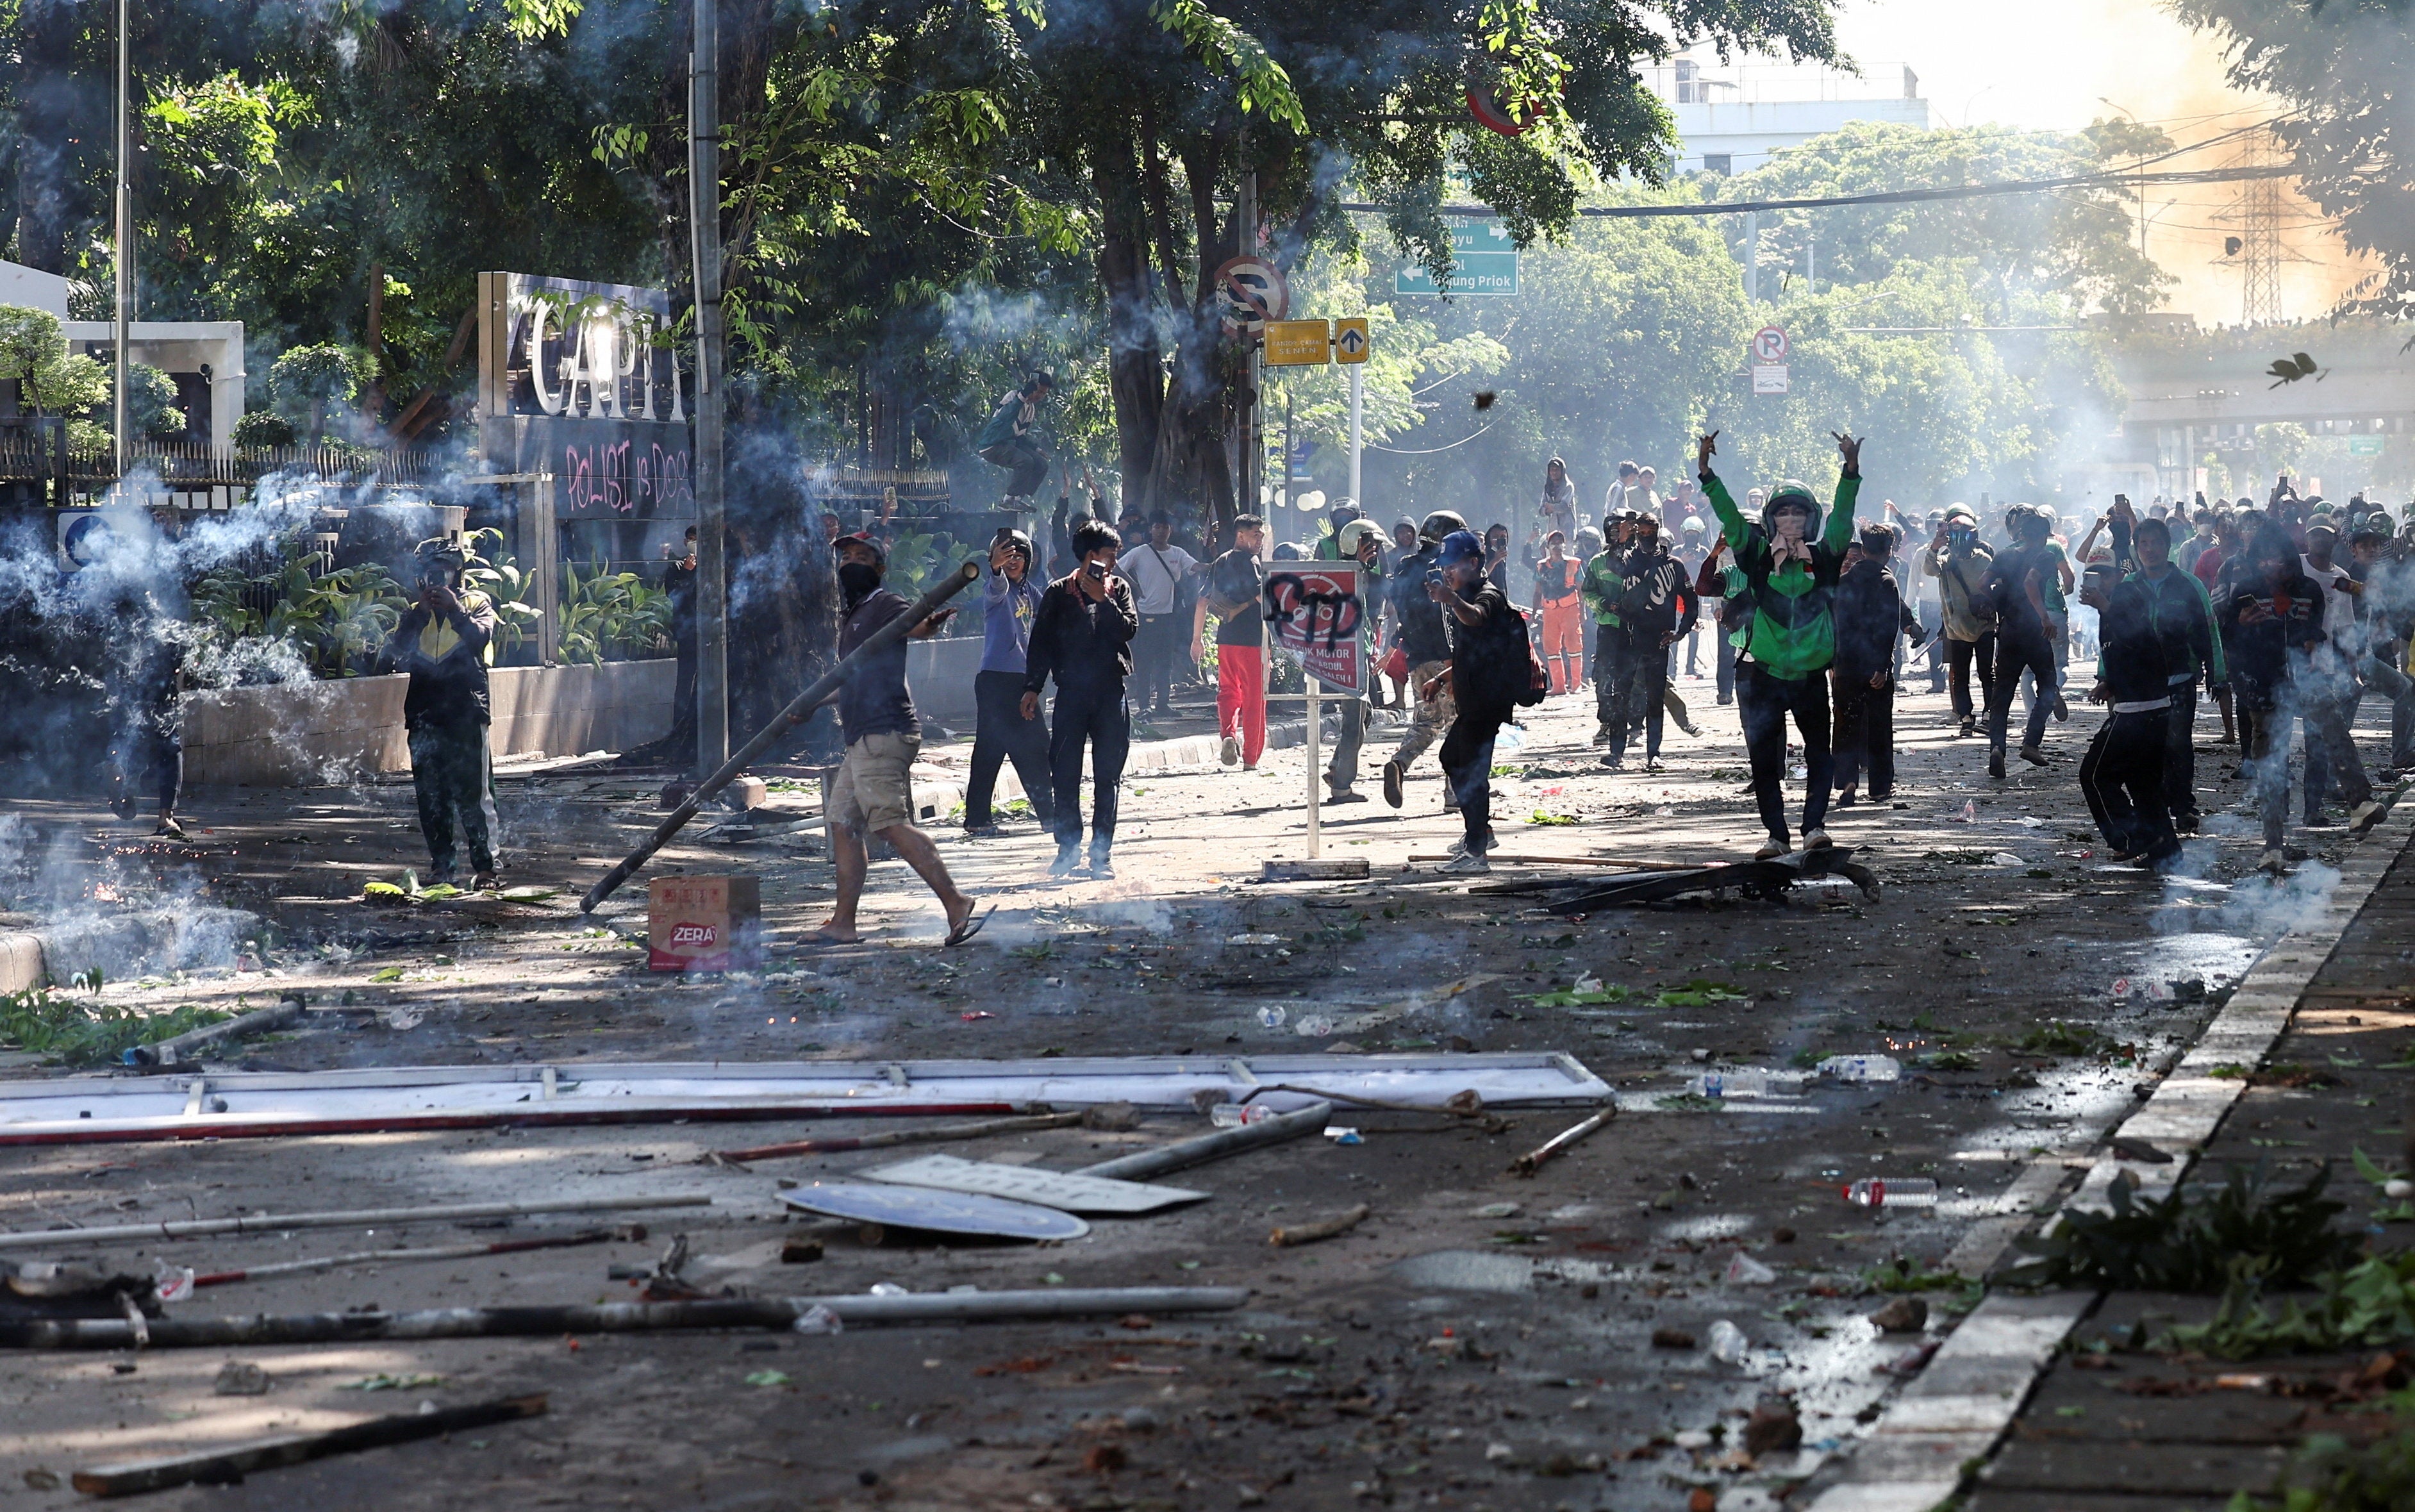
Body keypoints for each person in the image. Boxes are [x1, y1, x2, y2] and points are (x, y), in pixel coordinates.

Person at [1700, 429, 1861, 859]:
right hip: (1764, 677)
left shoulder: (1825, 558)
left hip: (1810, 678)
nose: (1792, 519)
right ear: (1772, 519)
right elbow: (1731, 518)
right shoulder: (1755, 558)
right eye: (1783, 512)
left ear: (1811, 519)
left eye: (1799, 512)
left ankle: (1814, 827)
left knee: (1819, 755)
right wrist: (1706, 473)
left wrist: (1850, 471)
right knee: (1764, 762)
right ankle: (1776, 835)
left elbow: (1844, 516)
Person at [817, 535, 984, 944]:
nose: (851, 563)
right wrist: (812, 703)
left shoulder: (883, 604)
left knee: (888, 823)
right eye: (847, 557)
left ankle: (955, 901)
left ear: (879, 569)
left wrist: (928, 623)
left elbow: (915, 624)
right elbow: (855, 679)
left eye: (862, 558)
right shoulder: (853, 615)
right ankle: (844, 924)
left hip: (884, 731)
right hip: (861, 737)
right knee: (842, 824)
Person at [2216, 524, 2382, 871]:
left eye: (2279, 559)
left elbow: (2315, 627)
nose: (2272, 567)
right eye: (2264, 560)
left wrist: (2310, 640)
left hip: (2307, 679)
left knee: (2335, 733)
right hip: (2263, 684)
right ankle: (2273, 846)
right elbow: (2227, 638)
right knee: (2272, 765)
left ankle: (2361, 802)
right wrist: (2241, 627)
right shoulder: (2246, 591)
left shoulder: (2308, 590)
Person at [1021, 519, 1139, 876]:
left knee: (1108, 776)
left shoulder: (1118, 589)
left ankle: (1101, 855)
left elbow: (1129, 630)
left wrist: (1104, 602)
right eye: (1109, 555)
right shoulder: (1058, 592)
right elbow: (1040, 643)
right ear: (1091, 556)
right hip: (1070, 693)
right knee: (1065, 773)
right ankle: (1067, 849)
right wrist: (1032, 687)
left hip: (1110, 694)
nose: (1114, 562)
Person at [384, 540, 500, 889]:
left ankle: (486, 868)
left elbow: (480, 639)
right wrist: (419, 614)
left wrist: (455, 610)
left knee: (474, 796)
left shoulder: (477, 603)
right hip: (424, 714)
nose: (432, 580)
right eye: (426, 573)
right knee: (431, 797)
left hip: (466, 712)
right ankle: (442, 867)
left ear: (457, 572)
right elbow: (395, 651)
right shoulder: (415, 611)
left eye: (441, 572)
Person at [2105, 501, 2224, 833]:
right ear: (2136, 548)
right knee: (2145, 751)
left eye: (2156, 542)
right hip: (2139, 685)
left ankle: (2184, 806)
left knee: (2178, 743)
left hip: (2179, 677)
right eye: (2143, 543)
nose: (2150, 549)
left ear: (2167, 546)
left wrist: (2217, 672)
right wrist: (2107, 677)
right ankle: (2154, 810)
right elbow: (2112, 636)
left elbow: (2208, 629)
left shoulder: (2189, 584)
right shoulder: (2128, 587)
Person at [1426, 530, 1529, 875]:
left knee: (1471, 770)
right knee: (1453, 758)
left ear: (1473, 563)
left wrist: (1450, 600)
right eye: (1444, 567)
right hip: (1475, 700)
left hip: (1489, 700)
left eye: (1452, 565)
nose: (1447, 573)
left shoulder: (1487, 596)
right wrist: (1441, 678)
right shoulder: (1465, 596)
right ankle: (1479, 833)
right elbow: (1473, 653)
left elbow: (1477, 617)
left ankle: (1476, 852)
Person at [963, 530, 1057, 837]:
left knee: (1017, 748)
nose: (1013, 561)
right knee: (1017, 747)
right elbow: (995, 585)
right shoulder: (997, 589)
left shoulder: (1031, 592)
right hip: (996, 680)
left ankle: (983, 819)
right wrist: (995, 567)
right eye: (1007, 555)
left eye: (1019, 555)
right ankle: (1047, 817)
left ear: (1029, 560)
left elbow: (1050, 621)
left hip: (1023, 681)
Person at [1831, 524, 1927, 807]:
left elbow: (1837, 625)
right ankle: (1879, 788)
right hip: (1874, 670)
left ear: (1863, 548)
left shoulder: (1845, 581)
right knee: (1879, 727)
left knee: (1846, 724)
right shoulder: (1887, 581)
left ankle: (1847, 784)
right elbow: (1887, 629)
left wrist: (1835, 662)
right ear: (1890, 549)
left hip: (1846, 666)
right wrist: (1882, 667)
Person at [1380, 511, 1465, 807]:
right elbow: (1444, 618)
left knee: (1428, 721)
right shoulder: (1440, 570)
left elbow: (1402, 615)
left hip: (1415, 660)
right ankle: (1455, 794)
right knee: (1459, 726)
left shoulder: (1405, 568)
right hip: (1444, 661)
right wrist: (1453, 659)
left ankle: (1399, 764)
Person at [1604, 514, 1694, 772]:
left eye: (1649, 532)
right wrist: (1621, 539)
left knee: (1655, 698)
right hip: (1629, 636)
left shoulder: (1673, 565)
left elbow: (1691, 600)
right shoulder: (1628, 560)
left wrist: (1681, 632)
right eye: (1640, 532)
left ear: (1658, 531)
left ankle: (1654, 753)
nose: (1645, 537)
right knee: (1620, 696)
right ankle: (1616, 754)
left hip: (1658, 639)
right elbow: (1613, 564)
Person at [1982, 506, 2064, 777]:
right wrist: (2044, 618)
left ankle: (1997, 748)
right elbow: (2031, 582)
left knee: (2002, 695)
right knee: (2048, 685)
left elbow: (1982, 585)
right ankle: (2031, 742)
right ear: (2043, 536)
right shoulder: (2045, 556)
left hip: (2008, 632)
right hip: (2034, 633)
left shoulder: (2004, 556)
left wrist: (1996, 608)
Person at [2298, 519, 2365, 824]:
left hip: (2321, 669)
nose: (2319, 542)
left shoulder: (2341, 578)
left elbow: (2346, 626)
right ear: (2307, 538)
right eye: (2314, 536)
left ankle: (2312, 810)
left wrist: (2353, 669)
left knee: (2317, 739)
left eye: (2325, 537)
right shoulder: (2295, 568)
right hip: (2287, 666)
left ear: (2335, 540)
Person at [1198, 515, 1269, 770]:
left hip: (1226, 639)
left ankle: (1228, 734)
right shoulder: (1251, 561)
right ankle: (1250, 758)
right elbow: (1262, 597)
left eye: (1261, 534)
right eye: (1256, 534)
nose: (1260, 539)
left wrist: (1197, 640)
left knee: (1228, 692)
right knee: (1254, 698)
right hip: (1252, 640)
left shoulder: (1220, 560)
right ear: (1241, 536)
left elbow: (1202, 600)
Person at [1326, 519, 1388, 803]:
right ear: (1354, 544)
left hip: (1359, 651)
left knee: (1363, 714)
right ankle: (1342, 786)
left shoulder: (1362, 572)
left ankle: (1338, 767)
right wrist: (1359, 564)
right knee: (1354, 719)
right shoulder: (1345, 574)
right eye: (1368, 544)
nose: (1373, 550)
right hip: (1349, 654)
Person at [1122, 510, 1199, 719]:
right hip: (1146, 615)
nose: (1162, 531)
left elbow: (1194, 567)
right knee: (1145, 663)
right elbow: (1118, 568)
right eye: (1157, 527)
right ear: (1151, 530)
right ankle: (1144, 707)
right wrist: (1135, 586)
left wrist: (1216, 564)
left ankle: (1163, 704)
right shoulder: (1140, 552)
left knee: (1166, 662)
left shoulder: (1177, 553)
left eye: (1165, 527)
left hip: (1168, 615)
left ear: (1170, 530)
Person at [1580, 515, 1634, 745]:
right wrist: (1604, 604)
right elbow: (1588, 592)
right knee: (1602, 677)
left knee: (1632, 677)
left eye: (1622, 530)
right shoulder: (1597, 562)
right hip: (1608, 627)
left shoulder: (1637, 560)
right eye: (1613, 531)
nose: (1617, 535)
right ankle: (1607, 723)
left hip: (1634, 629)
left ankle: (1634, 727)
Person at [975, 373, 1056, 506]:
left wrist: (1037, 449)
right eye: (1039, 392)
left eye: (1044, 394)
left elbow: (1020, 437)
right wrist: (1023, 396)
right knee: (1026, 461)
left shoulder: (1031, 409)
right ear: (1032, 387)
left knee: (1042, 465)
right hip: (992, 445)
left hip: (1010, 444)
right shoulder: (1013, 397)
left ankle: (1018, 499)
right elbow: (1006, 418)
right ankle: (1008, 500)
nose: (1040, 397)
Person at [1534, 531, 1584, 694]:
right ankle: (1559, 687)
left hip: (1570, 608)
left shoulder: (1574, 564)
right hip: (1550, 610)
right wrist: (1535, 612)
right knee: (1551, 648)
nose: (1557, 545)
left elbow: (1581, 590)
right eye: (1553, 543)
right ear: (1548, 547)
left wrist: (1582, 612)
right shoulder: (1541, 566)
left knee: (1574, 645)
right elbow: (1538, 591)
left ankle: (1576, 685)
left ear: (1564, 545)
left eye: (1560, 542)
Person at [1539, 458, 1579, 545]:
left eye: (1557, 470)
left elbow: (1564, 507)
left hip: (1567, 534)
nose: (1554, 472)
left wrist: (1551, 507)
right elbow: (1541, 510)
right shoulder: (1547, 488)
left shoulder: (1568, 487)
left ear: (1562, 471)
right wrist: (1546, 510)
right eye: (1552, 470)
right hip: (1552, 534)